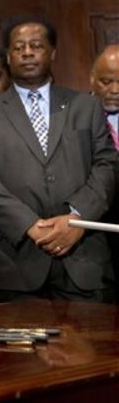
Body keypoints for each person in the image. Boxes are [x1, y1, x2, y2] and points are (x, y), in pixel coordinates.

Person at [0, 15, 116, 303]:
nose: (28, 52)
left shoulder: (86, 106)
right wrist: (30, 225)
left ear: (52, 52)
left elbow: (107, 166)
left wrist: (77, 220)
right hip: (15, 263)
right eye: (19, 47)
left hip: (83, 262)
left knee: (90, 348)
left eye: (36, 45)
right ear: (9, 56)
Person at [90, 44, 119, 300]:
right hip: (93, 239)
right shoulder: (73, 117)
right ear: (92, 80)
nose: (115, 91)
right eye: (106, 81)